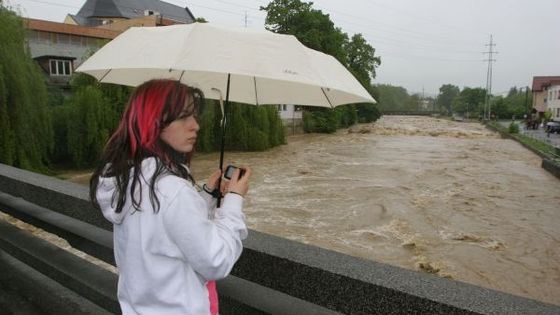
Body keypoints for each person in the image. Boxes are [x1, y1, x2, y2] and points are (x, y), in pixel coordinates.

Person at [89, 79, 250, 315]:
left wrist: (205, 196)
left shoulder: (129, 179)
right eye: (184, 117)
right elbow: (217, 261)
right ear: (153, 122)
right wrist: (234, 200)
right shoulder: (173, 191)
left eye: (195, 116)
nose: (195, 126)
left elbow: (161, 229)